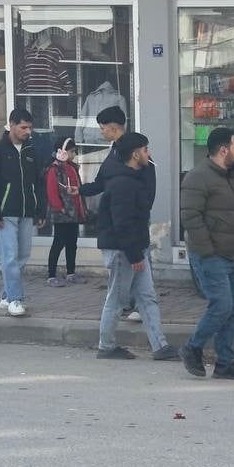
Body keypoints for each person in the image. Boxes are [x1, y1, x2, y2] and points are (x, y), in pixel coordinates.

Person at [179, 127, 234, 381]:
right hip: (212, 257)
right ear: (224, 150)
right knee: (221, 306)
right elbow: (190, 218)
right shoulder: (197, 177)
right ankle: (193, 347)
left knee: (233, 310)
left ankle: (225, 363)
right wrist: (207, 251)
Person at [94, 133, 178, 362]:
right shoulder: (123, 184)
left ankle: (160, 346)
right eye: (145, 150)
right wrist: (133, 255)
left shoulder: (133, 178)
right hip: (124, 251)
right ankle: (106, 346)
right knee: (117, 299)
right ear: (135, 154)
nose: (148, 154)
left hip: (134, 249)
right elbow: (122, 224)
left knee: (147, 296)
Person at [80, 106, 154, 322]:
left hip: (133, 218)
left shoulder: (138, 151)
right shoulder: (112, 153)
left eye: (103, 128)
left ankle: (137, 307)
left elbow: (149, 186)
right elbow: (101, 183)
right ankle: (130, 306)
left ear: (113, 128)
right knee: (127, 267)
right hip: (117, 218)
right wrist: (80, 190)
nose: (101, 132)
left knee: (140, 261)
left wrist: (141, 210)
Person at [0, 108, 46, 317]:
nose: (27, 131)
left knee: (23, 255)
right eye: (23, 127)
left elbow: (39, 183)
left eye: (30, 127)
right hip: (5, 212)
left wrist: (41, 210)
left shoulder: (32, 151)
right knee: (9, 256)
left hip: (27, 210)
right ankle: (15, 299)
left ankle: (6, 294)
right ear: (11, 125)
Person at [45, 138, 88, 287]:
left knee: (72, 243)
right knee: (58, 242)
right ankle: (51, 275)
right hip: (62, 213)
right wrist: (60, 207)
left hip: (73, 212)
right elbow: (52, 191)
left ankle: (71, 273)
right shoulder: (54, 169)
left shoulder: (72, 167)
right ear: (62, 152)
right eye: (72, 151)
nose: (74, 154)